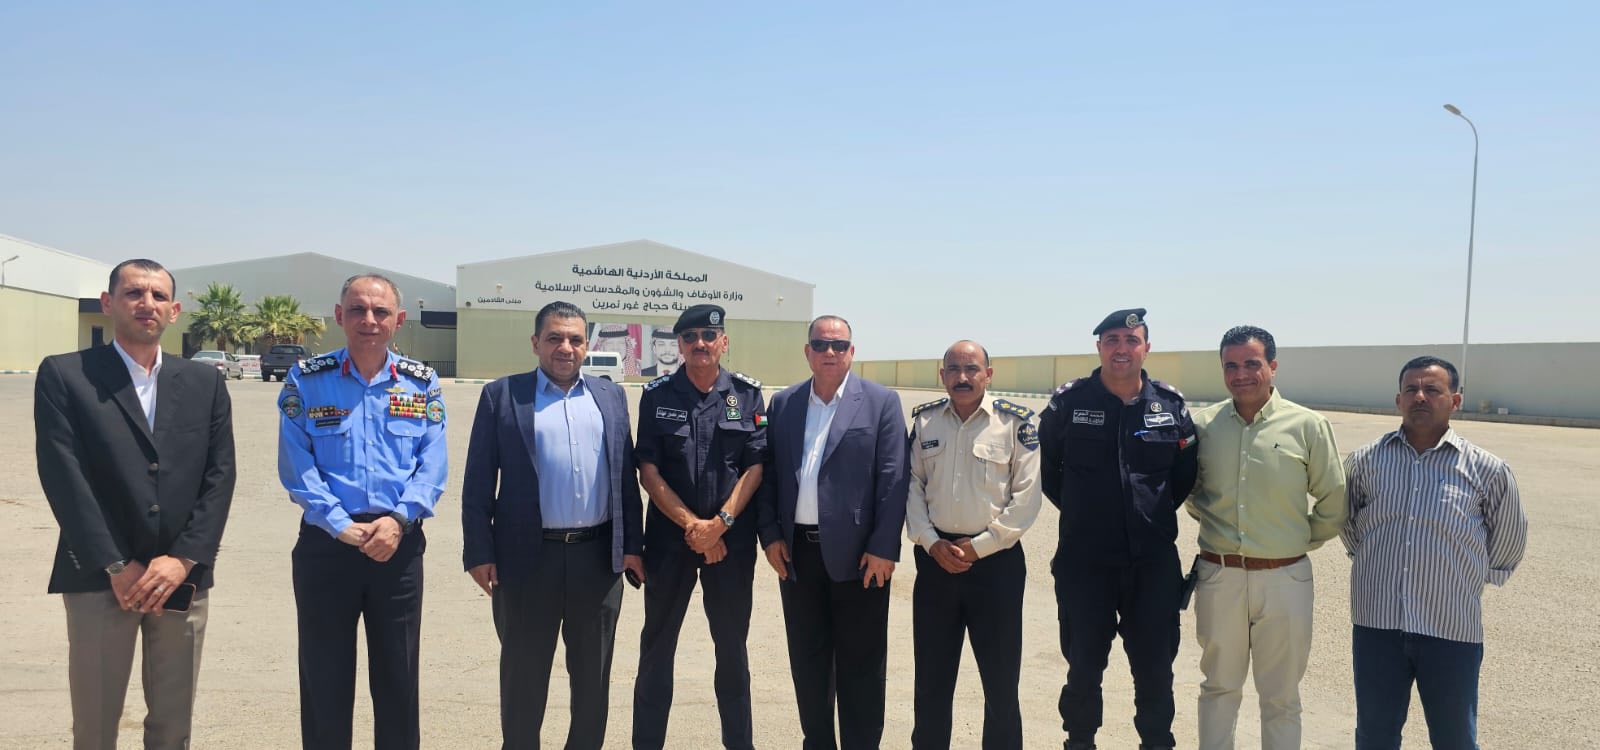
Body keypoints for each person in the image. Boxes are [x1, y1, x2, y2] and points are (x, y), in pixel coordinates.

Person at [35, 258, 236, 750]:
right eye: (134, 293)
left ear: (174, 310)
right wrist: (115, 564)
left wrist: (184, 558)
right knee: (95, 725)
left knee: (173, 726)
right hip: (100, 577)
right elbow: (64, 477)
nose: (147, 303)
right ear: (108, 303)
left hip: (180, 578)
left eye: (158, 295)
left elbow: (220, 476)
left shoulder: (205, 382)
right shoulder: (66, 375)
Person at [461, 300, 645, 749]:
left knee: (592, 679)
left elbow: (625, 478)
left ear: (587, 345)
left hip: (597, 561)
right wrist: (479, 552)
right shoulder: (503, 395)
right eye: (554, 338)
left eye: (575, 339)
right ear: (535, 342)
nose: (565, 347)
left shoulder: (609, 397)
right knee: (523, 677)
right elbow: (478, 481)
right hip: (527, 561)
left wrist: (632, 546)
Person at [277, 274, 447, 750]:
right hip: (327, 547)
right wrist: (339, 525)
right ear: (339, 315)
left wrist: (398, 519)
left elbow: (432, 464)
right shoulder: (307, 380)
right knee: (324, 678)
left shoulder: (421, 382)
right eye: (357, 310)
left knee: (399, 677)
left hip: (398, 545)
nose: (368, 320)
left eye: (380, 311)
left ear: (399, 319)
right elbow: (296, 465)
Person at [1341, 356, 1527, 750]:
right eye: (1411, 389)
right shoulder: (1364, 462)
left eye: (1432, 390)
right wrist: (1375, 556)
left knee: (1454, 738)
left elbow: (1508, 539)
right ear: (1398, 399)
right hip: (1377, 626)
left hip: (1450, 629)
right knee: (1374, 735)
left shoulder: (1487, 469)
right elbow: (1347, 523)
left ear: (1455, 400)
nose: (1420, 397)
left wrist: (1464, 578)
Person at [1036, 308, 1197, 750]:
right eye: (1112, 340)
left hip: (1153, 563)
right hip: (1085, 561)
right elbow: (1046, 468)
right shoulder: (1069, 403)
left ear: (1147, 347)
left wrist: (1146, 514)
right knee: (1084, 667)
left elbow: (1183, 474)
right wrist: (1086, 512)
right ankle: (1080, 741)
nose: (1121, 349)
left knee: (1156, 669)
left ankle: (1156, 742)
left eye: (1131, 340)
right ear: (1099, 347)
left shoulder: (1170, 405)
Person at [1187, 325, 1347, 749]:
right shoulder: (1203, 426)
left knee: (1281, 697)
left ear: (1273, 366)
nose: (1241, 374)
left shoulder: (1308, 425)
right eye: (1231, 365)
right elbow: (1193, 494)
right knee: (1218, 688)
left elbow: (1333, 499)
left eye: (1252, 363)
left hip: (1285, 579)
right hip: (1220, 577)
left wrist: (1291, 541)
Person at [757, 314, 909, 750]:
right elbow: (769, 474)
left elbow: (893, 479)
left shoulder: (880, 402)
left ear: (851, 352)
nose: (830, 352)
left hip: (860, 557)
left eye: (839, 345)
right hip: (797, 556)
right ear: (807, 351)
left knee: (862, 664)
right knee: (808, 661)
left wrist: (884, 547)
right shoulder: (784, 403)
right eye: (821, 345)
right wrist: (770, 536)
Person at [631, 304, 768, 750]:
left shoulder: (747, 395)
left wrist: (720, 524)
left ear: (723, 341)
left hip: (731, 545)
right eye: (689, 337)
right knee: (657, 648)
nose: (700, 344)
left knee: (732, 651)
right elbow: (648, 470)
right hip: (670, 542)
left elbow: (756, 466)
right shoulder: (657, 395)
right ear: (680, 345)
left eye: (709, 336)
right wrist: (694, 526)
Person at [904, 340, 1042, 749]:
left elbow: (1027, 498)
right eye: (953, 369)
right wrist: (930, 542)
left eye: (971, 369)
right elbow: (911, 486)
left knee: (1000, 683)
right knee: (931, 679)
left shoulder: (1014, 423)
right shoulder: (926, 422)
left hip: (995, 566)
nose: (962, 377)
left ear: (988, 374)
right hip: (935, 563)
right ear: (942, 374)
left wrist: (980, 546)